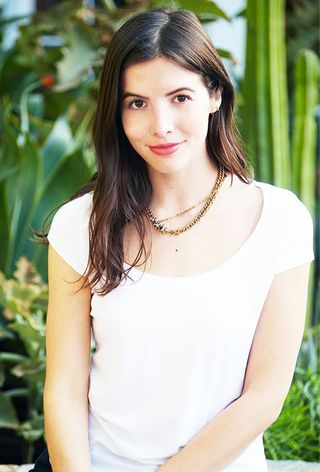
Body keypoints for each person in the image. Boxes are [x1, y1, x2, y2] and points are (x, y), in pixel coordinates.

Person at [31, 7, 315, 472]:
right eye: (136, 102)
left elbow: (264, 394)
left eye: (179, 97)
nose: (160, 125)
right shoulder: (80, 223)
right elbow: (64, 387)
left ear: (214, 94)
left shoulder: (281, 220)